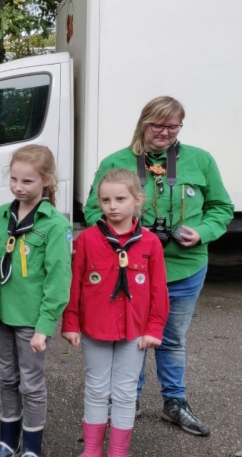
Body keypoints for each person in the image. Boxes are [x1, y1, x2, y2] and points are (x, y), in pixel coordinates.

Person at [83, 96, 232, 437]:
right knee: (131, 336)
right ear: (143, 122)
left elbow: (221, 208)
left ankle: (174, 403)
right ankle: (126, 401)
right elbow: (93, 212)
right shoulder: (116, 161)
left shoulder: (200, 160)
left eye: (173, 126)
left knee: (172, 339)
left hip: (184, 268)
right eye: (157, 125)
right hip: (130, 271)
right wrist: (127, 234)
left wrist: (203, 232)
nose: (165, 132)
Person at [63, 168, 170, 457]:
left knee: (124, 392)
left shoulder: (150, 243)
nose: (112, 206)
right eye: (106, 200)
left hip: (135, 331)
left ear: (137, 200)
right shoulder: (86, 239)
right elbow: (74, 284)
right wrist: (70, 322)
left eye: (120, 199)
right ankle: (93, 449)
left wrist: (154, 328)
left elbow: (159, 291)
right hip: (94, 328)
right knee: (96, 389)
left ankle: (119, 451)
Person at [0, 145, 73, 457]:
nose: (18, 186)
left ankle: (31, 448)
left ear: (45, 181)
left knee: (31, 384)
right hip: (2, 313)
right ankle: (7, 442)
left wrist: (45, 326)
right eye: (14, 179)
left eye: (27, 181)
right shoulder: (1, 215)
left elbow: (58, 280)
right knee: (6, 378)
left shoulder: (54, 224)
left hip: (31, 320)